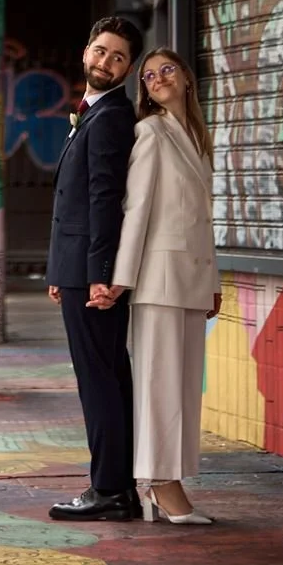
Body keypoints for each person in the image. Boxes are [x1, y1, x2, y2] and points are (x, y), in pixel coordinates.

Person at [98, 46, 221, 524]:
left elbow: (203, 222)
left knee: (184, 390)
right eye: (148, 75)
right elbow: (137, 211)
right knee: (160, 388)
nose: (158, 78)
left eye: (167, 69)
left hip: (191, 280)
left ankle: (171, 480)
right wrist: (121, 279)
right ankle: (158, 483)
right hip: (158, 281)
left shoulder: (197, 137)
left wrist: (213, 281)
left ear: (186, 77)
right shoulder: (150, 132)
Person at [45, 14, 143, 522]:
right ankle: (118, 486)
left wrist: (99, 274)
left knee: (99, 379)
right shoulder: (93, 113)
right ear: (87, 51)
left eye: (118, 57)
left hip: (92, 276)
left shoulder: (110, 118)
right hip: (78, 270)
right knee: (107, 376)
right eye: (101, 51)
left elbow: (105, 200)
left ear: (128, 69)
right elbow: (72, 201)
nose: (106, 61)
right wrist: (58, 271)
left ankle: (109, 490)